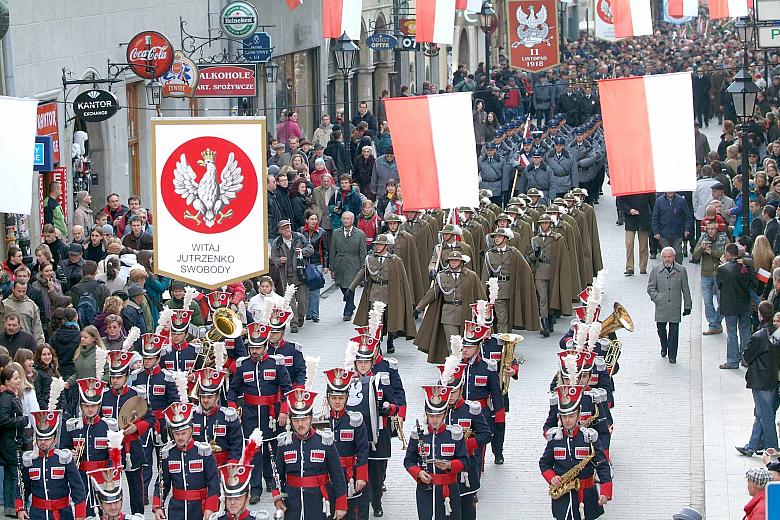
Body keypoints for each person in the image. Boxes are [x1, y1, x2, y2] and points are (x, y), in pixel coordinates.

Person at [227, 322, 292, 503]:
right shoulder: (243, 366)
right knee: (254, 450)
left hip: (272, 413)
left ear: (265, 346)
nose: (254, 351)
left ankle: (271, 479)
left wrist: (284, 412)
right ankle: (255, 488)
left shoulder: (276, 363)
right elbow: (232, 391)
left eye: (258, 347)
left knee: (272, 447)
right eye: (252, 347)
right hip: (250, 414)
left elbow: (287, 390)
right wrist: (233, 409)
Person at [271, 388, 348, 520]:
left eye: (304, 419)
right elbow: (277, 475)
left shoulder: (325, 442)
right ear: (291, 421)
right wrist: (277, 499)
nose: (300, 425)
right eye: (296, 420)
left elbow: (337, 475)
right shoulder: (284, 444)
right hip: (293, 505)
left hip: (320, 503)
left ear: (311, 419)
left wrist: (341, 504)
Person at [539, 383, 612, 520]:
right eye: (564, 416)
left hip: (587, 494)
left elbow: (602, 465)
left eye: (571, 416)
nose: (567, 420)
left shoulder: (589, 437)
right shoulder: (555, 438)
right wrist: (551, 477)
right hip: (563, 495)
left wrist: (605, 490)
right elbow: (544, 463)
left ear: (579, 416)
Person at [403, 385, 469, 520]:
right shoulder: (418, 433)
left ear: (445, 414)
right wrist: (418, 473)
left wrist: (450, 465)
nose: (434, 420)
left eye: (438, 415)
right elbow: (408, 460)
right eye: (431, 415)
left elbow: (465, 461)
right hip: (425, 491)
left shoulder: (454, 434)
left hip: (449, 490)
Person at [16, 404, 87, 520]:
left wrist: (80, 515)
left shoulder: (64, 459)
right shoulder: (30, 460)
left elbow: (78, 488)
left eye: (47, 439)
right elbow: (22, 487)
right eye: (40, 439)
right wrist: (20, 508)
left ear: (54, 439)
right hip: (38, 514)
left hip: (63, 514)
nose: (43, 442)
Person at [415, 251, 487, 364]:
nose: (453, 262)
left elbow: (480, 295)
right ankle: (455, 368)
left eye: (456, 260)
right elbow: (432, 293)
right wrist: (418, 308)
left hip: (466, 314)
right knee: (453, 344)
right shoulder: (442, 276)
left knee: (467, 342)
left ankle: (467, 366)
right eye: (451, 260)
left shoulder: (471, 276)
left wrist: (484, 312)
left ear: (461, 262)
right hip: (448, 314)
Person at [152, 401, 219, 520]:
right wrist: (158, 507)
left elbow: (214, 481)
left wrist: (210, 507)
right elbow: (162, 483)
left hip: (200, 509)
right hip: (177, 509)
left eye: (184, 433)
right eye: (176, 434)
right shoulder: (168, 454)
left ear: (191, 431)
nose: (180, 437)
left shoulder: (203, 452)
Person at [351, 234, 417, 354]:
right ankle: (377, 344)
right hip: (375, 291)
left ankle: (390, 340)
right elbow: (363, 272)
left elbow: (403, 279)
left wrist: (404, 296)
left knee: (390, 319)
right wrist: (351, 288)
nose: (377, 247)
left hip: (390, 293)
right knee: (376, 320)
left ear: (386, 246)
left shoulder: (395, 260)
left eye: (380, 244)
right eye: (376, 244)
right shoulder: (370, 259)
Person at [61, 377, 119, 511]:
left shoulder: (108, 427)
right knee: (83, 510)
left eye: (93, 406)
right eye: (86, 406)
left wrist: (112, 479)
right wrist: (70, 452)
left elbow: (115, 457)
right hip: (80, 478)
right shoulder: (74, 427)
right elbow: (65, 448)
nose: (90, 410)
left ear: (99, 406)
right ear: (81, 406)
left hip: (103, 479)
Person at [321, 367, 369, 520]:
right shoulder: (319, 421)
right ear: (327, 398)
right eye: (333, 397)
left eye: (341, 398)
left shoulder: (355, 421)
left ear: (347, 398)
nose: (337, 401)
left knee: (352, 512)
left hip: (350, 475)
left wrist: (361, 476)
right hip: (326, 476)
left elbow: (362, 449)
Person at [736, 303, 780, 457]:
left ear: (760, 315)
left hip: (760, 380)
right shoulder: (777, 333)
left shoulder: (759, 335)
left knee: (765, 415)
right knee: (762, 413)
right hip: (773, 378)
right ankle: (752, 445)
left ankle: (772, 447)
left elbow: (747, 357)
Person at [481, 228, 540, 332]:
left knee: (509, 320)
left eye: (500, 236)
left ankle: (508, 344)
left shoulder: (513, 252)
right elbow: (486, 275)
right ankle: (502, 344)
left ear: (506, 239)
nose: (497, 239)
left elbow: (525, 269)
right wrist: (483, 294)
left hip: (511, 288)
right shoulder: (489, 254)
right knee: (502, 319)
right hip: (497, 290)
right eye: (495, 237)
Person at [528, 214, 573, 337]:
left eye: (546, 223)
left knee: (552, 297)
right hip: (540, 271)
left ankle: (551, 318)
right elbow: (529, 257)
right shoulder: (535, 239)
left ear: (550, 224)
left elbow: (563, 256)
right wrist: (535, 254)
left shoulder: (557, 238)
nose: (544, 225)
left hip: (553, 271)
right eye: (542, 223)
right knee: (543, 298)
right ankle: (545, 324)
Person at [647, 247, 692, 363]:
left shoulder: (681, 270)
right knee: (661, 329)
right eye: (665, 257)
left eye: (669, 257)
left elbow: (685, 289)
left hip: (675, 305)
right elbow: (650, 288)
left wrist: (688, 305)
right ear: (662, 258)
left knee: (674, 331)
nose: (667, 259)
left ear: (674, 257)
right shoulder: (656, 270)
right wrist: (657, 298)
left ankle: (673, 355)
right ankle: (664, 346)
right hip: (661, 306)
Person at [717, 242, 756, 369]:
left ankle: (733, 361)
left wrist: (723, 265)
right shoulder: (746, 267)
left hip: (730, 305)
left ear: (727, 254)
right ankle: (746, 359)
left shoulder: (723, 269)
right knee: (745, 331)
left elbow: (719, 285)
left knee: (732, 333)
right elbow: (753, 282)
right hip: (744, 304)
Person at [270, 220, 314, 333]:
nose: (287, 230)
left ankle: (300, 316)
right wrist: (279, 260)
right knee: (290, 301)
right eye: (284, 228)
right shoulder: (277, 242)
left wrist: (302, 252)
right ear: (280, 230)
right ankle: (293, 323)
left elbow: (310, 249)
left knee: (303, 301)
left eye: (288, 227)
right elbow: (273, 258)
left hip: (300, 275)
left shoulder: (299, 237)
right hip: (285, 276)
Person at [693, 220, 729, 335]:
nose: (710, 231)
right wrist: (701, 249)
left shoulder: (723, 239)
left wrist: (711, 251)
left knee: (722, 301)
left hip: (720, 274)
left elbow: (727, 255)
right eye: (708, 229)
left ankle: (717, 323)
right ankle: (713, 324)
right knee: (708, 302)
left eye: (712, 229)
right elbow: (695, 256)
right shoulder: (703, 238)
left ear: (717, 229)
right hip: (706, 274)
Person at [330, 212, 367, 321]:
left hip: (354, 264)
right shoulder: (336, 233)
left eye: (348, 219)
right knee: (342, 286)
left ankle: (348, 312)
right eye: (344, 218)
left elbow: (363, 253)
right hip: (340, 263)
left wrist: (363, 268)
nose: (346, 221)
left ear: (352, 220)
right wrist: (332, 267)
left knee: (351, 287)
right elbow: (333, 250)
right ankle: (351, 305)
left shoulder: (360, 234)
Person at [0, 366, 25, 517]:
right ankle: (18, 507)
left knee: (9, 475)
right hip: (11, 442)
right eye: (16, 378)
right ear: (7, 382)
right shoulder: (6, 398)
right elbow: (3, 420)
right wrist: (21, 420)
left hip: (9, 441)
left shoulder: (10, 396)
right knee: (16, 475)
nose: (19, 380)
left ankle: (10, 508)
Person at [300, 211, 328, 323]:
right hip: (305, 263)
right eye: (311, 219)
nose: (314, 221)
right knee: (306, 289)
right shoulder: (301, 232)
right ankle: (307, 313)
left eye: (315, 219)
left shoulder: (321, 232)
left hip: (317, 263)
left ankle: (315, 313)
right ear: (306, 220)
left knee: (315, 289)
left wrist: (326, 265)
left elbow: (325, 249)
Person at [652, 192, 693, 264]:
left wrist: (687, 229)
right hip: (664, 233)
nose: (670, 192)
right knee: (666, 254)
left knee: (678, 252)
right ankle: (667, 271)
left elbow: (688, 216)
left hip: (678, 232)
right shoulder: (659, 201)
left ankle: (679, 269)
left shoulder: (681, 200)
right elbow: (655, 217)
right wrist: (656, 231)